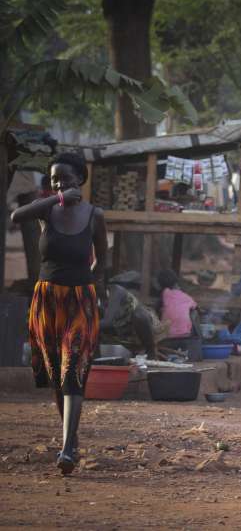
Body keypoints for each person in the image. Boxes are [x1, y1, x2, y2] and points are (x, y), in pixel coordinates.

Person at [11, 152, 108, 475]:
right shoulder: (46, 212)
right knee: (55, 373)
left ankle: (67, 450)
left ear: (80, 179)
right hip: (47, 302)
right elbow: (15, 217)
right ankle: (73, 437)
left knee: (73, 371)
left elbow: (101, 263)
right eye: (54, 180)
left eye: (66, 179)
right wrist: (55, 198)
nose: (60, 184)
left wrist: (93, 290)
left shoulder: (95, 215)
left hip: (80, 301)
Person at [100, 281, 170, 358]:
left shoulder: (116, 291)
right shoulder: (95, 299)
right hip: (124, 334)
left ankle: (151, 351)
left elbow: (108, 322)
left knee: (139, 315)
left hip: (145, 328)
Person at [158, 269, 199, 338]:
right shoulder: (186, 297)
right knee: (193, 313)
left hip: (167, 336)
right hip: (185, 334)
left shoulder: (164, 294)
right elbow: (196, 307)